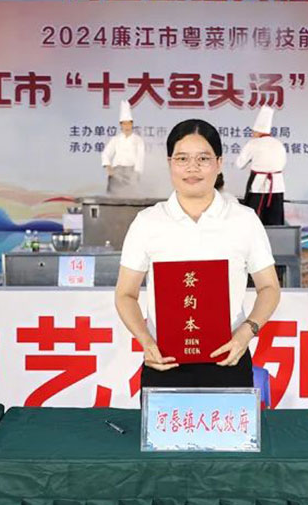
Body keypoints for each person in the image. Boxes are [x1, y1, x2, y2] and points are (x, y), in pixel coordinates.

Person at [115, 119, 281, 388]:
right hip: (163, 362)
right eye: (182, 158)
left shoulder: (244, 219)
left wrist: (246, 332)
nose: (192, 167)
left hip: (230, 359)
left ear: (219, 163)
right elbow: (125, 294)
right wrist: (146, 341)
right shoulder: (147, 222)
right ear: (170, 163)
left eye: (203, 158)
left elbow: (270, 287)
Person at [235, 106, 287, 225]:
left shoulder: (253, 143)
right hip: (277, 186)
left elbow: (239, 164)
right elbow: (283, 164)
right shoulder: (279, 144)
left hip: (258, 186)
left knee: (254, 221)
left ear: (257, 131)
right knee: (275, 222)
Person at [100, 100, 145, 196]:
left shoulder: (138, 140)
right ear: (120, 125)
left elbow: (140, 157)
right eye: (124, 124)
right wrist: (108, 168)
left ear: (132, 124)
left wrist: (137, 173)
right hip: (117, 171)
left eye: (128, 123)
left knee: (131, 195)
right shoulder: (116, 139)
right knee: (113, 196)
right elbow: (106, 153)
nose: (126, 126)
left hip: (131, 171)